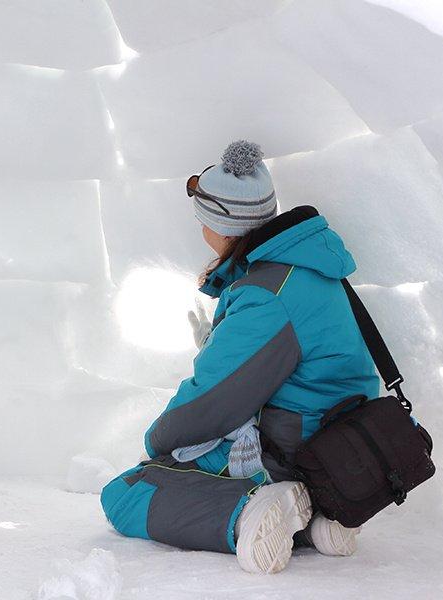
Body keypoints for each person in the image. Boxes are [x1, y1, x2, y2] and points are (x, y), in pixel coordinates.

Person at [100, 140, 379, 574]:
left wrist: (157, 444)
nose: (200, 229)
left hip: (293, 449)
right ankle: (316, 520)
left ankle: (250, 511)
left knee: (129, 492)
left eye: (202, 220)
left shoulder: (266, 293)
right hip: (334, 444)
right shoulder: (306, 270)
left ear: (225, 227)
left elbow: (213, 399)